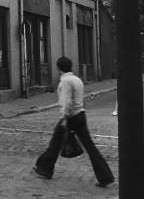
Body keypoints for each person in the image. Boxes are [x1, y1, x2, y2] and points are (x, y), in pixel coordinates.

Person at [33, 56, 114, 187]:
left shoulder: (65, 81)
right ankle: (105, 176)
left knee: (55, 142)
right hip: (80, 114)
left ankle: (45, 168)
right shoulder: (77, 79)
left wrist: (65, 118)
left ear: (59, 68)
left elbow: (67, 101)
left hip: (70, 117)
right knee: (89, 146)